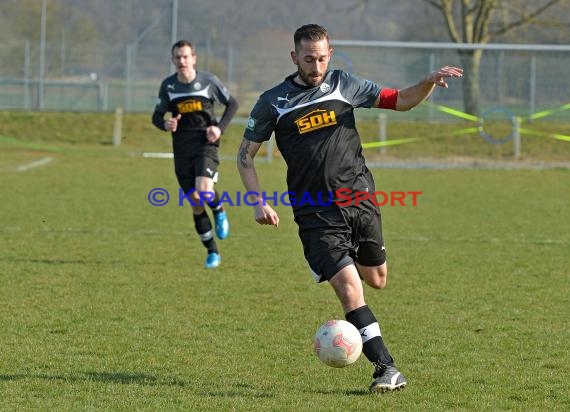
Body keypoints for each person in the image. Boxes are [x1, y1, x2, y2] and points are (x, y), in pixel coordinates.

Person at [237, 24, 462, 392]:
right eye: (308, 59)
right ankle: (386, 368)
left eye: (322, 58)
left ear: (330, 54)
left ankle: (348, 262)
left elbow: (401, 100)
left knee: (376, 279)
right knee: (349, 289)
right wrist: (257, 201)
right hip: (315, 214)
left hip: (360, 201)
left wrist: (427, 82)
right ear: (294, 58)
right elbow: (245, 156)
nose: (316, 65)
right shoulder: (273, 102)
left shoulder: (345, 84)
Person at [152, 40, 238, 269]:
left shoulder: (208, 81)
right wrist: (165, 124)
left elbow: (232, 104)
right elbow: (156, 116)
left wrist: (219, 127)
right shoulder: (168, 86)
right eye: (177, 57)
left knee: (204, 190)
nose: (181, 61)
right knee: (196, 203)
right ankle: (212, 252)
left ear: (194, 58)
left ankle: (219, 210)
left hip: (205, 144)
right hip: (182, 150)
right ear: (173, 60)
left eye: (185, 57)